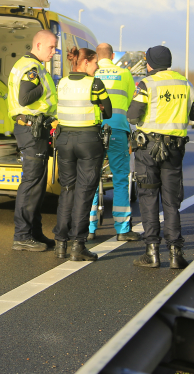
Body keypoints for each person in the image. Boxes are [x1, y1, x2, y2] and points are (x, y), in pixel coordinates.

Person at [127, 46, 194, 269]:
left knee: (148, 198)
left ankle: (152, 253)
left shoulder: (147, 84)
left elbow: (132, 114)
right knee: (171, 201)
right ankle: (176, 254)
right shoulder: (186, 83)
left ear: (149, 64)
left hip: (148, 148)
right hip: (174, 150)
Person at [53, 46, 113, 261]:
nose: (97, 67)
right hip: (88, 140)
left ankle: (60, 243)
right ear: (86, 62)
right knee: (85, 191)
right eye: (95, 62)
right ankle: (78, 244)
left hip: (64, 139)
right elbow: (108, 111)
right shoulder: (94, 83)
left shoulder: (62, 82)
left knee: (67, 189)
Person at [8, 29, 59, 252]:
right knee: (31, 183)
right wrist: (43, 85)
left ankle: (34, 232)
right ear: (38, 45)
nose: (54, 51)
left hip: (36, 129)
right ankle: (22, 235)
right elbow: (25, 98)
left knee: (38, 183)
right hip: (31, 129)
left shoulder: (35, 66)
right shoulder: (31, 68)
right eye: (51, 47)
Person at [88, 43, 138, 242]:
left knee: (91, 178)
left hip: (94, 130)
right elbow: (130, 102)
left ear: (97, 57)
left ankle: (89, 227)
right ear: (112, 56)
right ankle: (122, 229)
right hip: (117, 129)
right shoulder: (124, 73)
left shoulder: (92, 72)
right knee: (119, 178)